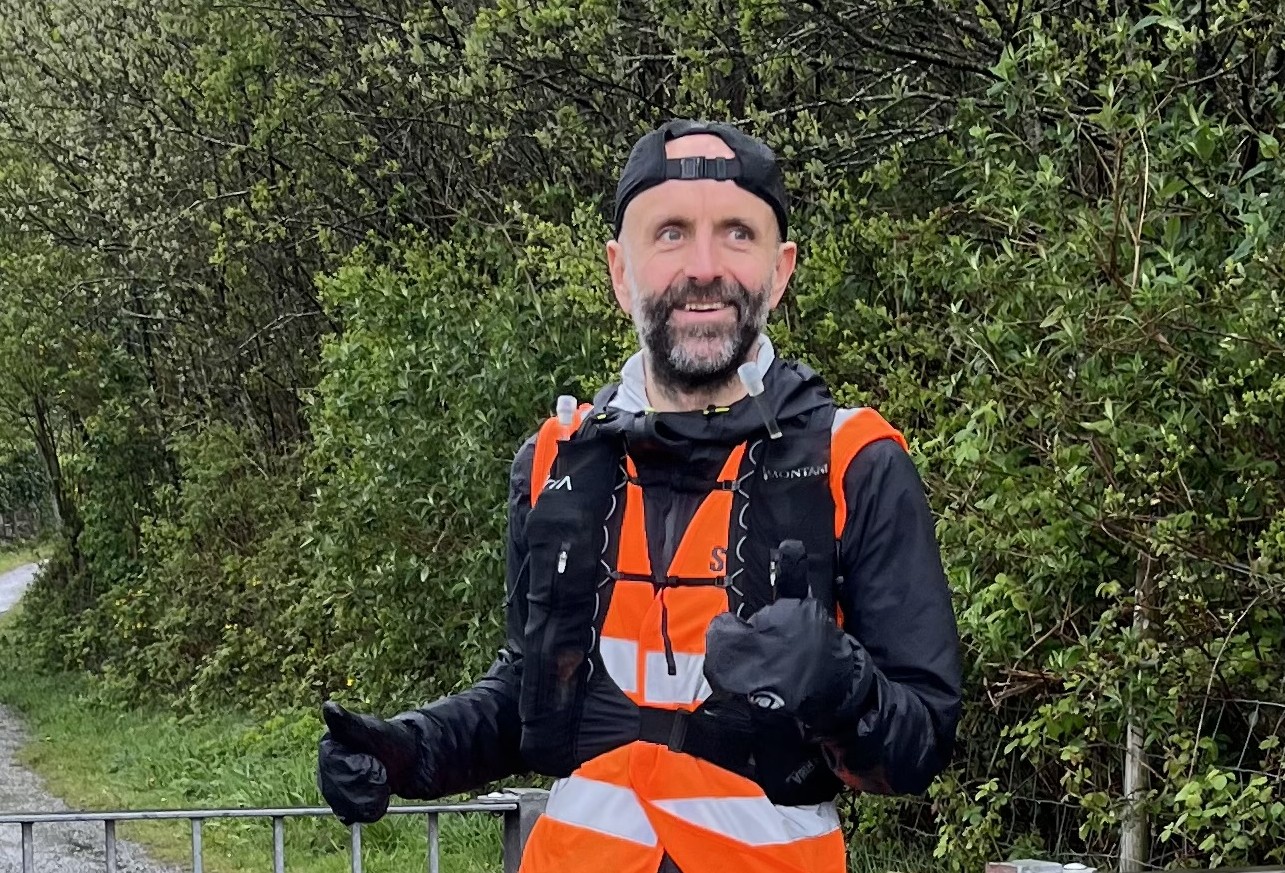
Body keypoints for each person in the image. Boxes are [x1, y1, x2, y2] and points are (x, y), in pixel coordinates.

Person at [317, 119, 963, 873]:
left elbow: (921, 739)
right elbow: (530, 691)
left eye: (737, 234)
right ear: (620, 271)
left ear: (779, 269)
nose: (703, 267)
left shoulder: (853, 462)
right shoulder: (556, 460)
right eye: (670, 233)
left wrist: (839, 684)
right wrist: (410, 749)